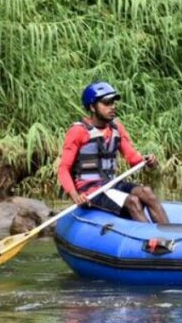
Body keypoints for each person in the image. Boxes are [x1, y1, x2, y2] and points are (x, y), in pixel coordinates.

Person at [58, 81, 169, 224]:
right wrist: (75, 195)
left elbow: (133, 158)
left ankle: (171, 235)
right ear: (92, 107)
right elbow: (63, 169)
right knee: (133, 201)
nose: (112, 107)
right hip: (90, 190)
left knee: (147, 192)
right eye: (106, 103)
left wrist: (147, 161)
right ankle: (152, 240)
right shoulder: (78, 132)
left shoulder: (116, 128)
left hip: (111, 184)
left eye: (113, 103)